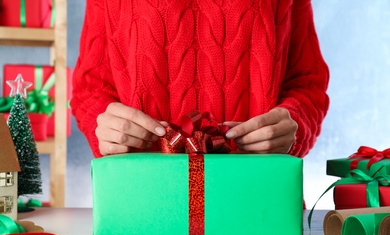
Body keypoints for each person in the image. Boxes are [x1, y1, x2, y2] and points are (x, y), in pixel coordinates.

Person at [71, 0, 329, 158]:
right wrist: (105, 127)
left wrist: (293, 124)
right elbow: (90, 88)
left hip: (257, 200)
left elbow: (308, 83)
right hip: (143, 202)